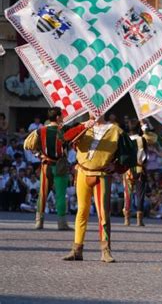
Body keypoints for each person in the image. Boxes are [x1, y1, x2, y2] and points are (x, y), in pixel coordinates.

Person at [61, 113, 136, 263]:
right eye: (91, 108)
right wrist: (83, 126)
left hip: (102, 175)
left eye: (97, 108)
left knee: (103, 214)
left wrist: (116, 166)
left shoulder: (116, 130)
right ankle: (77, 250)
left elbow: (129, 154)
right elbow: (65, 138)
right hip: (82, 172)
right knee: (81, 211)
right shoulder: (83, 126)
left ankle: (105, 251)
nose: (94, 111)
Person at [23, 107, 71, 230]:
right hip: (60, 166)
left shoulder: (40, 131)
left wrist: (40, 155)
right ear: (58, 117)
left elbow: (28, 145)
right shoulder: (64, 130)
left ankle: (39, 222)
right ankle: (62, 223)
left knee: (42, 194)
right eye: (62, 115)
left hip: (45, 165)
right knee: (61, 195)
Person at [122, 118, 157, 226]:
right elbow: (154, 138)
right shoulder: (142, 139)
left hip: (127, 170)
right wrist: (145, 126)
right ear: (139, 129)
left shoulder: (124, 139)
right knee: (140, 195)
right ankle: (139, 220)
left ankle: (126, 219)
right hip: (140, 169)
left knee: (127, 194)